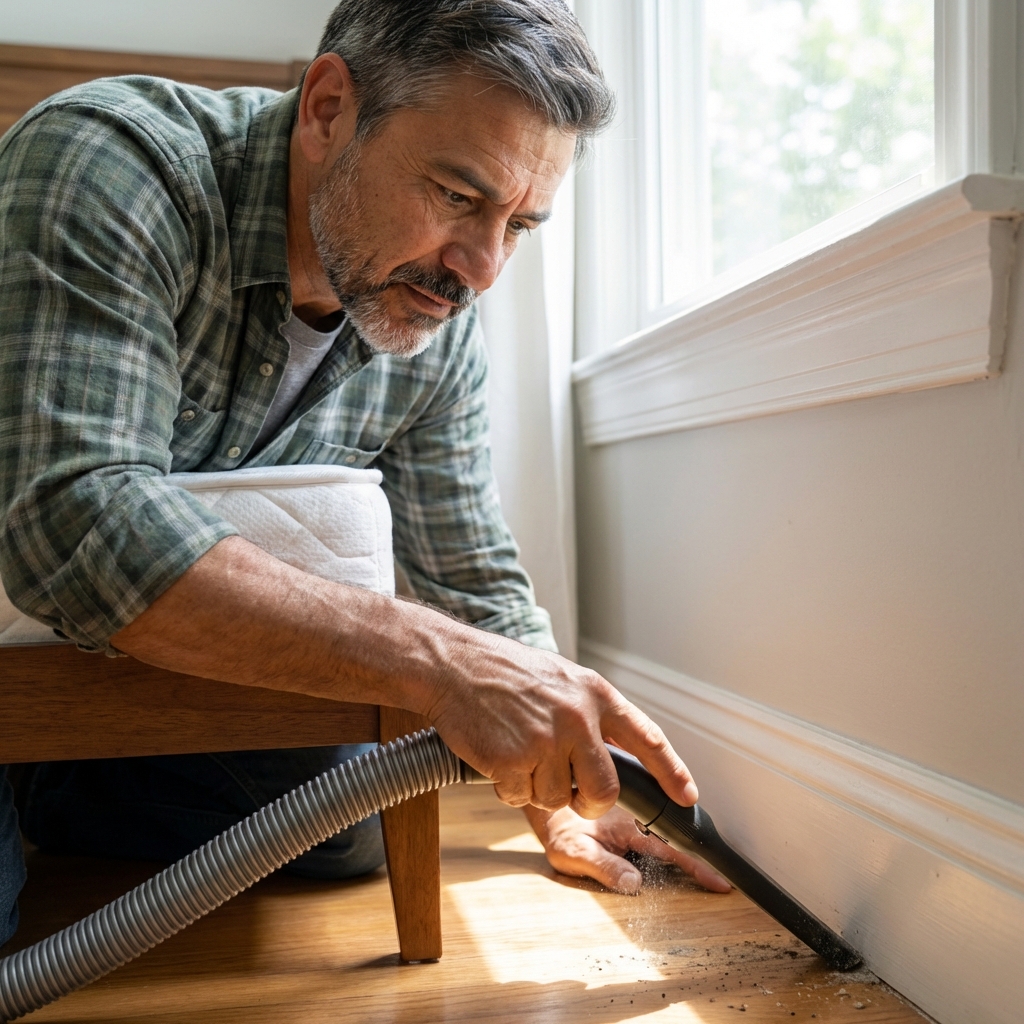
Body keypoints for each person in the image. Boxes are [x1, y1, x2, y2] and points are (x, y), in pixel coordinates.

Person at [0, 0, 729, 951]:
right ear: (330, 105)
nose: (481, 269)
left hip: (125, 687)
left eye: (521, 226)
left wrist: (556, 791)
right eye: (459, 196)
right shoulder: (111, 163)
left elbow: (465, 565)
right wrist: (442, 664)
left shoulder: (432, 310)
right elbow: (73, 519)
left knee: (342, 831)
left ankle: (50, 792)